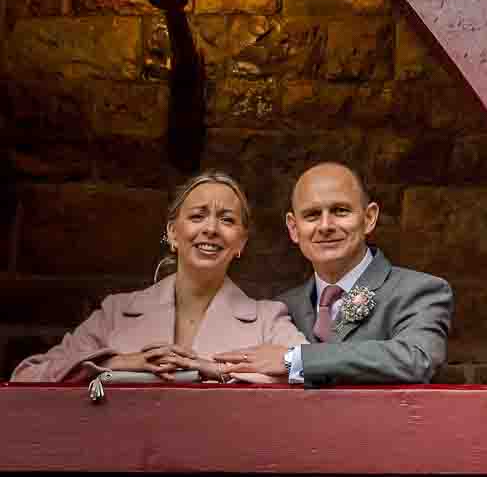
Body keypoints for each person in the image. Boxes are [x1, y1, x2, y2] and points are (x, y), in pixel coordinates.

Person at [10, 171, 302, 384]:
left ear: (241, 242)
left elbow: (313, 373)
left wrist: (216, 370)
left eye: (227, 219)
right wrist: (115, 363)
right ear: (173, 233)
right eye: (197, 216)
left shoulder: (268, 318)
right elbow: (27, 376)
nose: (211, 229)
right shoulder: (117, 312)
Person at [213, 161, 451, 386]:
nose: (325, 226)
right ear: (294, 228)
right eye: (312, 215)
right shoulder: (282, 307)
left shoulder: (420, 290)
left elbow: (418, 358)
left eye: (340, 211)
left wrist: (295, 359)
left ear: (369, 218)